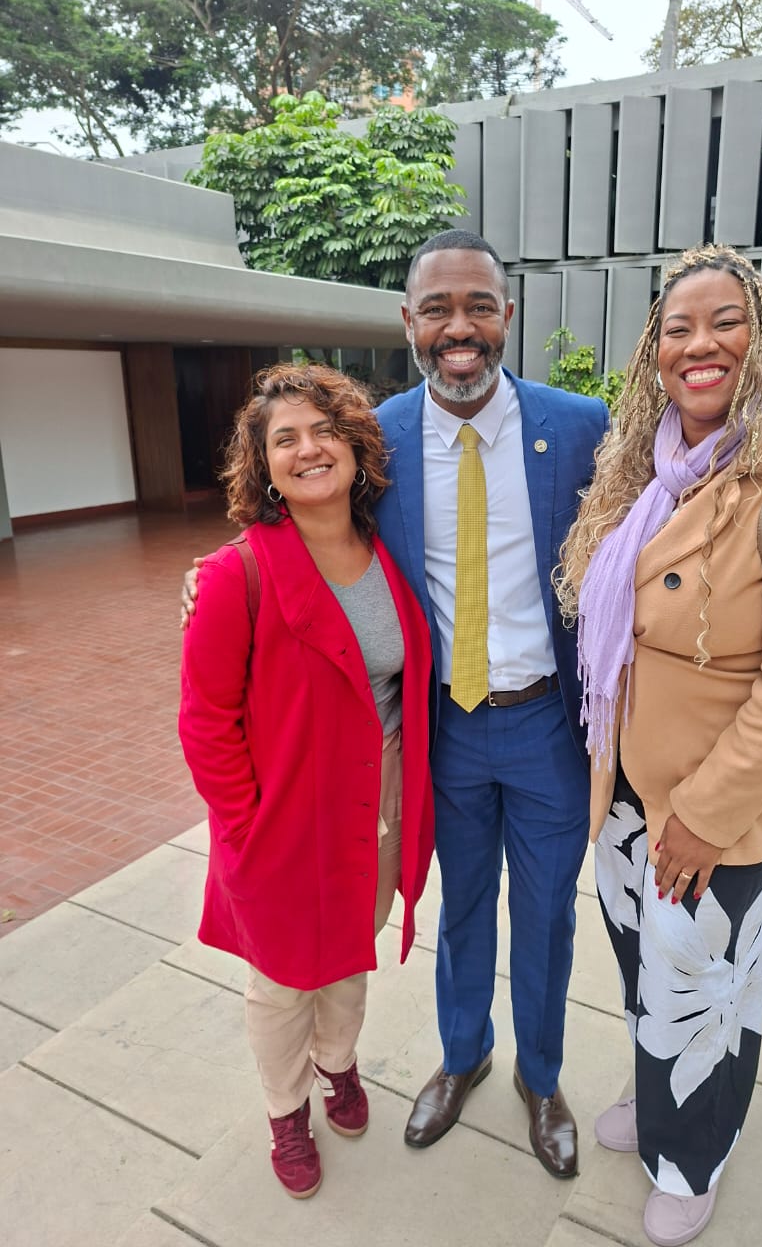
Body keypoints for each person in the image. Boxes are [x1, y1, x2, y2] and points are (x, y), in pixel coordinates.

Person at [182, 231, 609, 1178]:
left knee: (546, 914)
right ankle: (464, 1058)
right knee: (460, 909)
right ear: (407, 322)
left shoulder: (581, 425)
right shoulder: (377, 437)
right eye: (438, 309)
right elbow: (294, 506)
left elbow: (641, 534)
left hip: (545, 724)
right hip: (442, 731)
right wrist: (205, 582)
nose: (461, 327)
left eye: (479, 306)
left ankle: (542, 1078)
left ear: (509, 314)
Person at [556, 245, 762, 1246]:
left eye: (724, 320)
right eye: (678, 327)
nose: (701, 342)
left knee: (701, 982)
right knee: (649, 969)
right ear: (657, 353)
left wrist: (700, 817)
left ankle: (695, 1151)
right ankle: (660, 1104)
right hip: (628, 790)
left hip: (722, 807)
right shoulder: (647, 477)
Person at [178, 363, 434, 1199]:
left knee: (347, 955)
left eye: (324, 430)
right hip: (281, 811)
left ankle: (340, 1066)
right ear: (265, 467)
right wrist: (246, 828)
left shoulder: (389, 551)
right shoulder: (235, 574)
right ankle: (287, 1110)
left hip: (376, 797)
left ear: (355, 447)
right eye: (285, 439)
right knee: (284, 978)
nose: (308, 448)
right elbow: (206, 721)